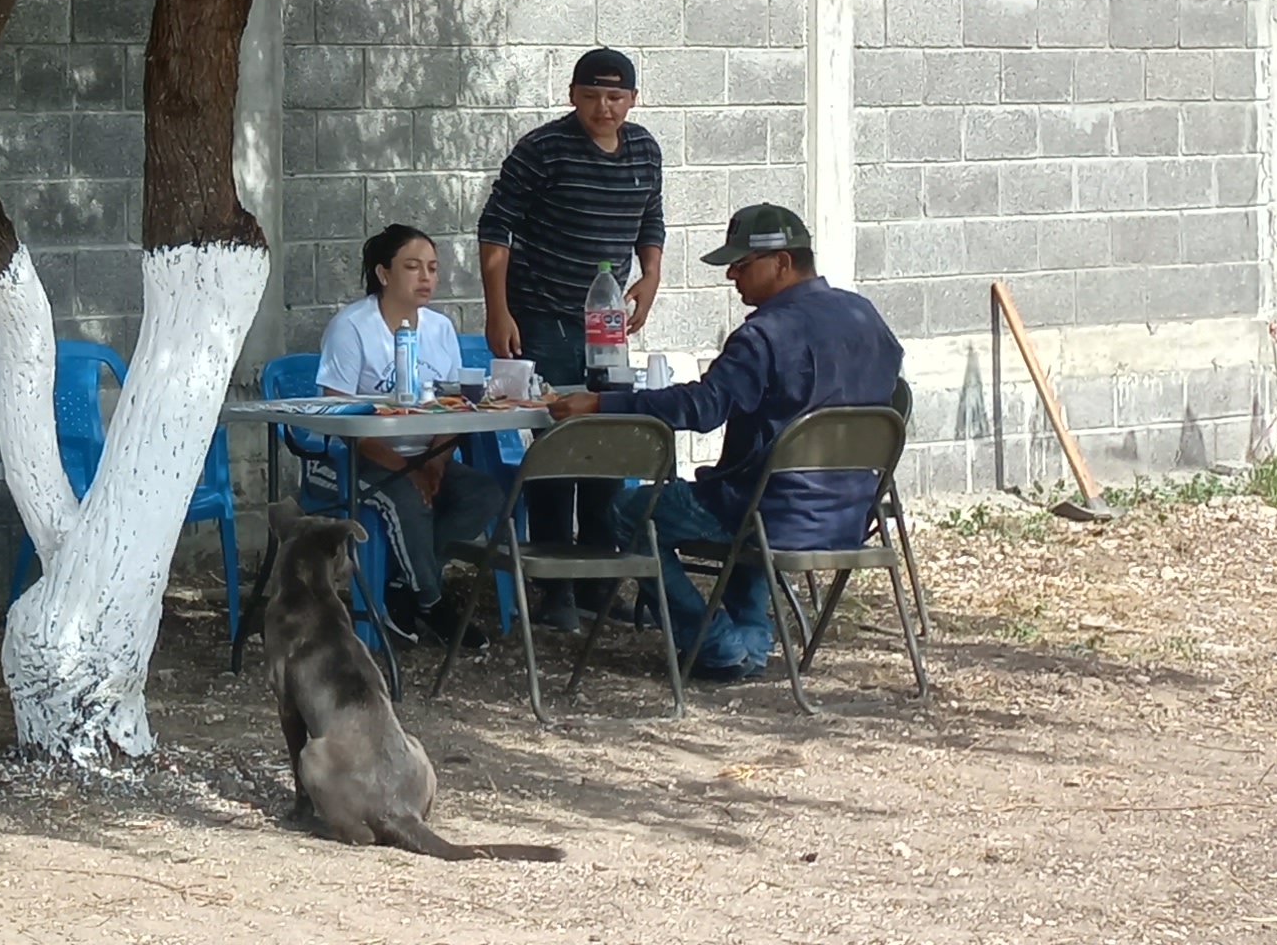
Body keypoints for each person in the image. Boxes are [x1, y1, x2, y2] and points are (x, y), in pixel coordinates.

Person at [546, 202, 904, 678]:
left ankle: (713, 643)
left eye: (742, 264)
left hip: (767, 512)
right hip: (849, 513)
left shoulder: (766, 333)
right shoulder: (865, 316)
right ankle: (750, 644)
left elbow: (703, 408)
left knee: (628, 511)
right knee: (745, 494)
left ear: (781, 262)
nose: (732, 275)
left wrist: (601, 403)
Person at [478, 47, 666, 564]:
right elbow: (496, 230)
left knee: (605, 434)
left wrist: (650, 276)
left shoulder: (644, 150)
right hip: (542, 310)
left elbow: (650, 216)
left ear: (632, 99)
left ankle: (599, 568)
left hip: (606, 322)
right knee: (557, 436)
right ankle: (553, 572)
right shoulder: (543, 149)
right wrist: (498, 310)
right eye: (590, 96)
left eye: (614, 97)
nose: (603, 107)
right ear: (571, 96)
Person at [316, 223, 510, 613]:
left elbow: (451, 408)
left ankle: (400, 582)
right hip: (355, 459)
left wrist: (434, 464)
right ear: (383, 274)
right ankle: (430, 602)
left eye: (433, 268)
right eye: (412, 266)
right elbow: (338, 418)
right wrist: (406, 469)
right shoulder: (351, 327)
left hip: (425, 455)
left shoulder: (440, 328)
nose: (425, 277)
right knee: (405, 497)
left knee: (484, 492)